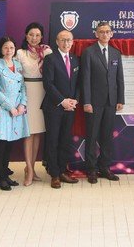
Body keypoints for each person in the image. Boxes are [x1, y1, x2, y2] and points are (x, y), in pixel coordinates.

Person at [80, 21, 125, 183]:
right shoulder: (88, 52)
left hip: (111, 102)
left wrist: (120, 99)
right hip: (93, 103)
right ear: (96, 34)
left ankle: (105, 167)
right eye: (101, 32)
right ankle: (91, 169)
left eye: (107, 32)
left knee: (107, 136)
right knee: (92, 136)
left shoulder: (115, 53)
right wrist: (86, 101)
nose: (104, 34)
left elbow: (119, 78)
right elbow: (85, 79)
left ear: (111, 34)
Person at [0, 36, 28, 191]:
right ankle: (0, 178)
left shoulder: (18, 65)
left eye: (11, 48)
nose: (9, 50)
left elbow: (23, 87)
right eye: (6, 48)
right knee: (0, 145)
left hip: (18, 109)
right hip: (3, 110)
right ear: (1, 49)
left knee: (9, 145)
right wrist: (10, 107)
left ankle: (6, 175)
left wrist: (23, 104)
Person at [43, 30, 81, 189]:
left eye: (69, 40)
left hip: (70, 107)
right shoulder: (50, 59)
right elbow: (48, 84)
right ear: (57, 42)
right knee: (53, 140)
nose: (66, 43)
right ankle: (54, 174)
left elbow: (78, 83)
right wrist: (62, 101)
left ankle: (63, 170)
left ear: (72, 42)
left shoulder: (75, 59)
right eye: (63, 40)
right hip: (54, 106)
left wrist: (74, 101)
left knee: (65, 140)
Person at [16, 22, 52, 186]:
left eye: (37, 35)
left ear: (42, 36)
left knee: (38, 132)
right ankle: (29, 169)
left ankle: (32, 167)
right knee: (28, 133)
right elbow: (15, 76)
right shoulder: (20, 53)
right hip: (27, 92)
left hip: (43, 92)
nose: (34, 38)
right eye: (31, 34)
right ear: (26, 35)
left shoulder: (47, 51)